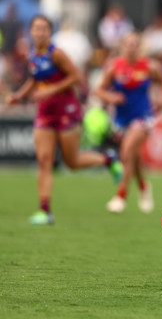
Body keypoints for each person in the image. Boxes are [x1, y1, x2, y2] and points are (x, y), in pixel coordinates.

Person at [5, 15, 123, 225]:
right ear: (31, 32)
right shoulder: (32, 53)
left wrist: (51, 89)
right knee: (44, 160)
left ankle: (109, 160)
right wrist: (19, 96)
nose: (40, 33)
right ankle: (45, 211)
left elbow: (76, 77)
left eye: (44, 29)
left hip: (67, 110)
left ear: (50, 32)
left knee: (72, 162)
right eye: (36, 29)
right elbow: (35, 79)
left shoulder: (57, 54)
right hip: (45, 112)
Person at [95, 32, 162, 214]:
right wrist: (112, 97)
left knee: (126, 152)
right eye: (128, 44)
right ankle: (144, 187)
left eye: (135, 44)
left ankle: (120, 196)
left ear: (140, 47)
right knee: (133, 157)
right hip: (121, 119)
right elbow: (99, 91)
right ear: (122, 46)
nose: (132, 47)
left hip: (143, 116)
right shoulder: (114, 67)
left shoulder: (150, 66)